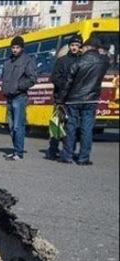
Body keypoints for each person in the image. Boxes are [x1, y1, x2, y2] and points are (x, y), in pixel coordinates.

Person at [57, 37, 110, 165]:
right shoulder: (103, 62)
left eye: (83, 47)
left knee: (71, 127)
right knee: (87, 129)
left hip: (73, 100)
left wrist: (61, 99)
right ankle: (83, 158)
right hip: (91, 100)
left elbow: (68, 82)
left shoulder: (78, 62)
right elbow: (106, 59)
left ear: (87, 47)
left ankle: (67, 156)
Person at [2, 36, 37, 161]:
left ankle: (19, 152)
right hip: (9, 97)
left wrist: (18, 86)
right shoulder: (8, 62)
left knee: (18, 126)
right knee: (11, 126)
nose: (14, 50)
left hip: (19, 97)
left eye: (17, 47)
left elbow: (32, 78)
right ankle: (15, 150)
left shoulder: (27, 60)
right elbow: (4, 78)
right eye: (13, 47)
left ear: (21, 48)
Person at [47, 35, 82, 160]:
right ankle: (52, 150)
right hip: (60, 98)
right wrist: (65, 86)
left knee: (71, 127)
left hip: (74, 99)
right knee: (56, 125)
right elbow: (54, 77)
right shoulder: (62, 60)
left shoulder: (82, 61)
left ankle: (68, 151)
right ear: (69, 46)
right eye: (72, 45)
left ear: (80, 47)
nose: (74, 48)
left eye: (77, 46)